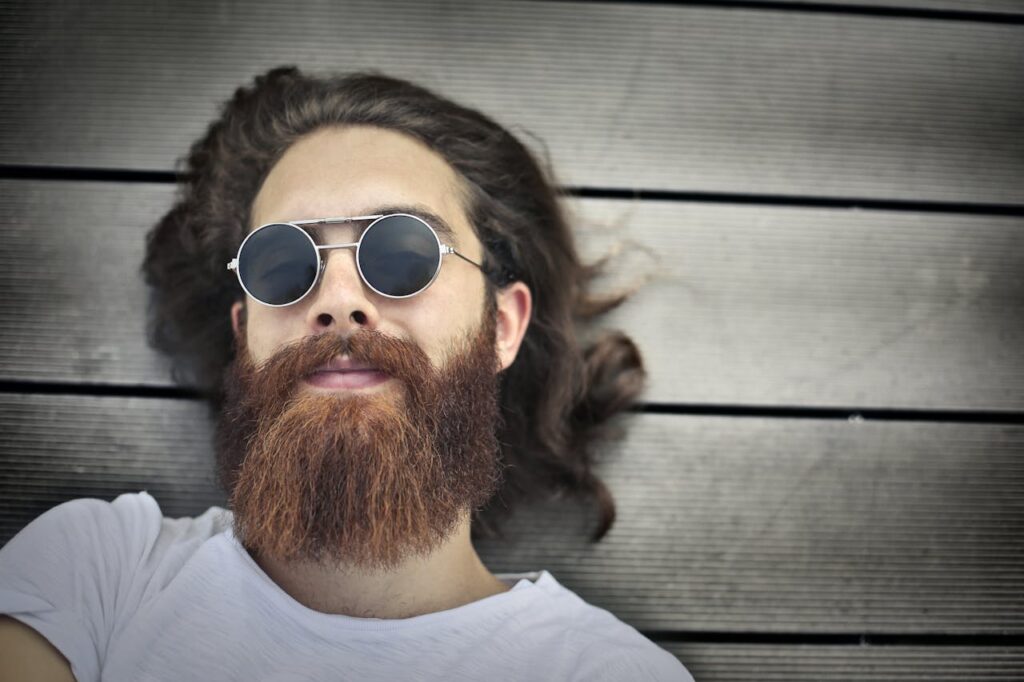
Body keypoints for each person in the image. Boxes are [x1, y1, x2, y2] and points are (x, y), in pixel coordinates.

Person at [0, 66, 694, 681]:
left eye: (404, 252)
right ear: (244, 335)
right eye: (283, 264)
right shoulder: (101, 571)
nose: (336, 299)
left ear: (501, 327)